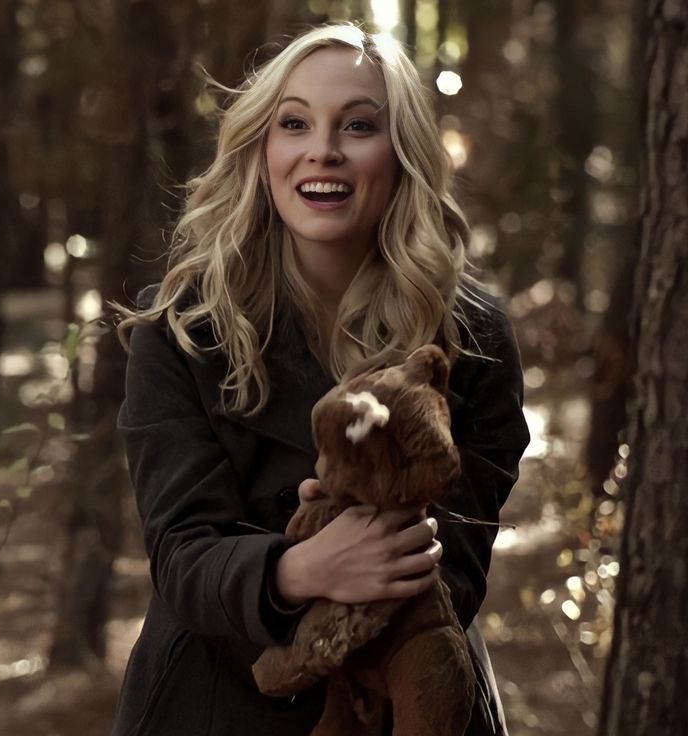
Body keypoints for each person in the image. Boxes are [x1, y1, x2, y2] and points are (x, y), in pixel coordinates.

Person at [112, 23, 530, 736]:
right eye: (295, 123)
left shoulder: (473, 336)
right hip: (215, 701)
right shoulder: (181, 331)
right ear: (261, 150)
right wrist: (300, 568)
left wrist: (374, 567)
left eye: (359, 125)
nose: (323, 149)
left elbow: (455, 572)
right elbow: (182, 557)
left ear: (402, 154)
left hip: (410, 695)